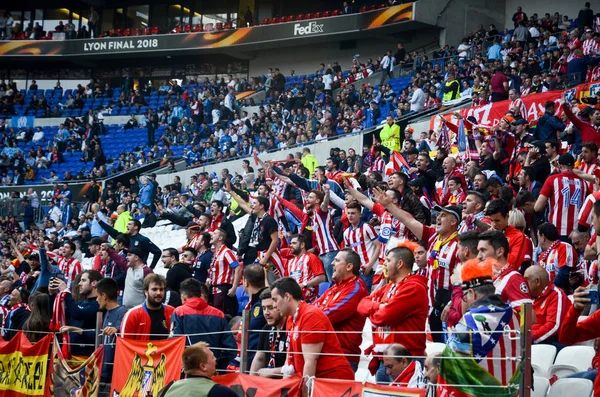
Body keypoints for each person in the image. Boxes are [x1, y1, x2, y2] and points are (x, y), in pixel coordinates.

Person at [438, 258, 521, 396]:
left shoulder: (468, 323)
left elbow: (450, 370)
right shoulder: (516, 316)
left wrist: (451, 337)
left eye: (463, 297)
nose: (463, 303)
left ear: (472, 293)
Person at [358, 244, 429, 383]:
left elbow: (383, 317)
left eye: (388, 260)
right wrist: (379, 306)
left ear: (400, 263)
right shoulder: (388, 287)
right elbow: (361, 305)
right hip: (384, 360)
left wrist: (374, 313)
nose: (384, 264)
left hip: (405, 361)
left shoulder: (414, 287)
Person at [270, 277, 354, 384]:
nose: (274, 305)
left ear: (287, 297)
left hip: (334, 382)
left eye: (275, 300)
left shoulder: (311, 316)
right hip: (318, 382)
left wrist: (305, 393)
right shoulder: (291, 318)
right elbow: (289, 359)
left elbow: (310, 362)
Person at [314, 248, 368, 372]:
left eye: (337, 260)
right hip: (326, 353)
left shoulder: (356, 288)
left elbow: (329, 314)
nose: (332, 263)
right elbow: (312, 307)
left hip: (343, 357)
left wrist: (308, 315)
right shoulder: (334, 288)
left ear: (349, 266)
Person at [170, 278, 237, 370]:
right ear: (200, 294)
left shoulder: (179, 312)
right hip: (212, 371)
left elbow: (175, 343)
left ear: (183, 297)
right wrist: (217, 366)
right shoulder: (219, 314)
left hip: (188, 371)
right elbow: (231, 348)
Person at [534, 153, 588, 239]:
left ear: (559, 165)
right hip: (576, 233)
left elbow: (537, 207)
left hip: (556, 230)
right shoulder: (584, 183)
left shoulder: (552, 179)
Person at [477, 230, 532, 310]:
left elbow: (528, 316)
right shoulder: (488, 277)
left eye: (483, 250)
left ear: (500, 252)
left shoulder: (513, 279)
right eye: (478, 251)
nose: (479, 256)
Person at [158, 341, 238, 397]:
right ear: (203, 366)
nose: (215, 359)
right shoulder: (220, 392)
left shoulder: (168, 388)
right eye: (212, 357)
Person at [523, 265, 570, 345]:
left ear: (537, 281)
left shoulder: (556, 295)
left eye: (526, 280)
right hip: (532, 341)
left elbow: (554, 326)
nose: (523, 284)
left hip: (552, 342)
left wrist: (530, 338)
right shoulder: (527, 296)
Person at [120, 274, 175, 341]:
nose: (158, 293)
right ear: (146, 292)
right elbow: (124, 344)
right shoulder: (132, 315)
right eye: (154, 289)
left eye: (161, 289)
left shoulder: (173, 312)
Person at [95, 278, 128, 383]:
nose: (96, 300)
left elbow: (122, 330)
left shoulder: (122, 311)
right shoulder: (107, 312)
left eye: (97, 296)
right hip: (104, 369)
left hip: (115, 370)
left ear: (104, 296)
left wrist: (116, 329)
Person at [97, 217, 162, 269]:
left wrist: (151, 267)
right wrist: (100, 221)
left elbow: (157, 252)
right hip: (129, 268)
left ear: (136, 227)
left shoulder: (143, 239)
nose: (127, 226)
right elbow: (113, 232)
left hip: (140, 269)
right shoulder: (126, 238)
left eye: (130, 224)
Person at [250, 288, 288, 377]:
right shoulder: (266, 328)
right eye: (264, 308)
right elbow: (259, 359)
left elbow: (293, 368)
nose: (266, 313)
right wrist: (250, 382)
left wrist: (271, 372)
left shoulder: (290, 327)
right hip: (268, 385)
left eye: (270, 308)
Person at [343, 202, 380, 292]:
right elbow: (348, 253)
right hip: (357, 272)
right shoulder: (346, 233)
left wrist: (370, 264)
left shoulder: (367, 228)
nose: (350, 216)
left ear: (360, 214)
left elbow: (378, 246)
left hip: (370, 270)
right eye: (348, 213)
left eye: (353, 213)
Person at [207, 228, 241, 318]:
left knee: (223, 317)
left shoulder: (227, 252)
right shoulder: (215, 253)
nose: (211, 235)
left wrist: (234, 288)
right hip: (214, 290)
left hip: (223, 289)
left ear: (220, 238)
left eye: (214, 233)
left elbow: (238, 268)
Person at [537, 222, 577, 292]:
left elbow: (564, 273)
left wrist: (550, 291)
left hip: (562, 294)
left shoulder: (564, 247)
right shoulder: (542, 256)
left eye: (538, 237)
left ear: (543, 237)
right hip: (547, 295)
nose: (538, 242)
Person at [286, 234, 325, 302]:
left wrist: (304, 285)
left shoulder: (312, 258)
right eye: (290, 243)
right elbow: (287, 280)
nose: (291, 245)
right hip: (293, 298)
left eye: (294, 243)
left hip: (308, 299)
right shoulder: (290, 262)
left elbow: (321, 278)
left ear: (302, 245)